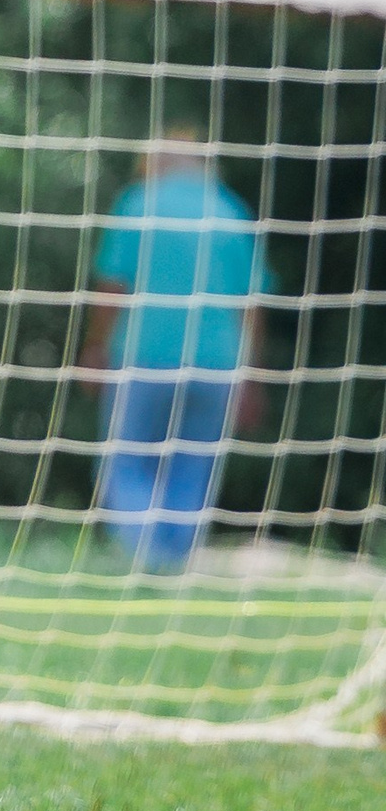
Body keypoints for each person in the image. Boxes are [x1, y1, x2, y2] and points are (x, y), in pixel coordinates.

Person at [76, 126, 270, 572]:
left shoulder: (138, 204)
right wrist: (252, 376)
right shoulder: (231, 211)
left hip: (143, 354)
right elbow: (252, 306)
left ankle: (145, 559)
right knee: (194, 466)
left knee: (126, 460)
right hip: (218, 362)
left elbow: (112, 288)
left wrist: (96, 348)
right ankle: (175, 564)